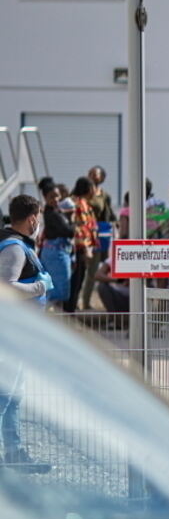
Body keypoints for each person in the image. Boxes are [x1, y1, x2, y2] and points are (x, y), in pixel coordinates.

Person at [0, 195, 52, 474]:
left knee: (13, 395)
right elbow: (5, 287)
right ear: (33, 218)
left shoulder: (14, 243)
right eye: (39, 217)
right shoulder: (15, 248)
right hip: (12, 332)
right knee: (5, 395)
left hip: (18, 331)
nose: (39, 223)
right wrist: (39, 288)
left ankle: (14, 452)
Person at [0, 195, 53, 304]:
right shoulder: (15, 248)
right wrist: (41, 286)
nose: (39, 223)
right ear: (32, 220)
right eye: (38, 219)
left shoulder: (21, 243)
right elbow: (6, 289)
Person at [82, 165, 116, 310]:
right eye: (90, 173)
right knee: (91, 271)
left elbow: (109, 213)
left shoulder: (104, 195)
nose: (92, 176)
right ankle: (85, 302)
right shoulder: (82, 194)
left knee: (102, 268)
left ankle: (103, 300)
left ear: (102, 177)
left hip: (103, 235)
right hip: (89, 235)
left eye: (95, 174)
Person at [38, 181, 76, 309]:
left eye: (57, 196)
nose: (56, 199)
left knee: (55, 290)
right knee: (58, 292)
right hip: (56, 254)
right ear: (45, 198)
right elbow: (69, 231)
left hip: (56, 252)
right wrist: (75, 223)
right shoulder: (52, 214)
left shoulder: (56, 211)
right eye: (52, 196)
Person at [66, 177, 99, 313]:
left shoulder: (84, 203)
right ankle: (69, 312)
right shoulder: (77, 203)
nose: (95, 191)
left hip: (83, 248)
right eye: (93, 188)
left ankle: (71, 309)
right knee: (75, 282)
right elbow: (78, 227)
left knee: (78, 281)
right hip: (78, 249)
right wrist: (86, 249)